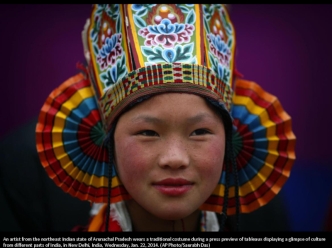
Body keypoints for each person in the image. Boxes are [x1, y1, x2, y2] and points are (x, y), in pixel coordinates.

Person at [35, 4, 296, 232]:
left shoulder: (263, 217)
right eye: (148, 132)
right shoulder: (35, 192)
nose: (175, 158)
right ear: (106, 137)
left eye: (199, 131)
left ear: (231, 138)